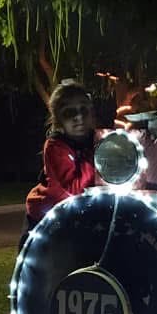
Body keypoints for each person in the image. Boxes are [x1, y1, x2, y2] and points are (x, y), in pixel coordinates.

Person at [22, 81, 98, 247]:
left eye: (84, 110)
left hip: (85, 212)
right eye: (69, 112)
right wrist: (99, 160)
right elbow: (74, 189)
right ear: (59, 119)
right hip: (49, 214)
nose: (79, 117)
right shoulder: (55, 146)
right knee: (34, 260)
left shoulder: (99, 139)